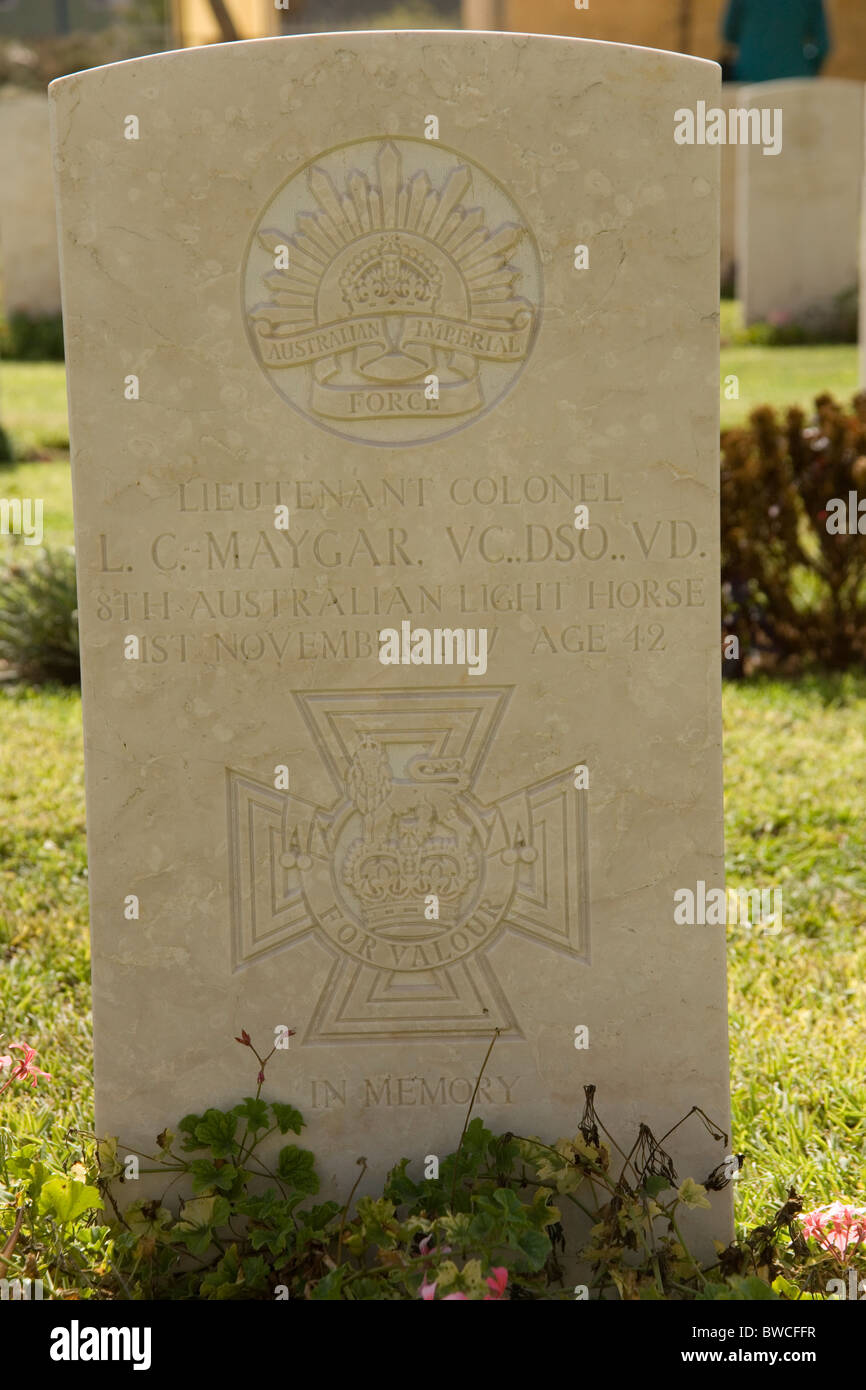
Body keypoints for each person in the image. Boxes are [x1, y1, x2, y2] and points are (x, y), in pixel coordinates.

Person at [720, 0, 831, 84]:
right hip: (795, 79)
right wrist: (805, 67)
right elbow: (823, 46)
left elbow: (728, 34)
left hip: (749, 75)